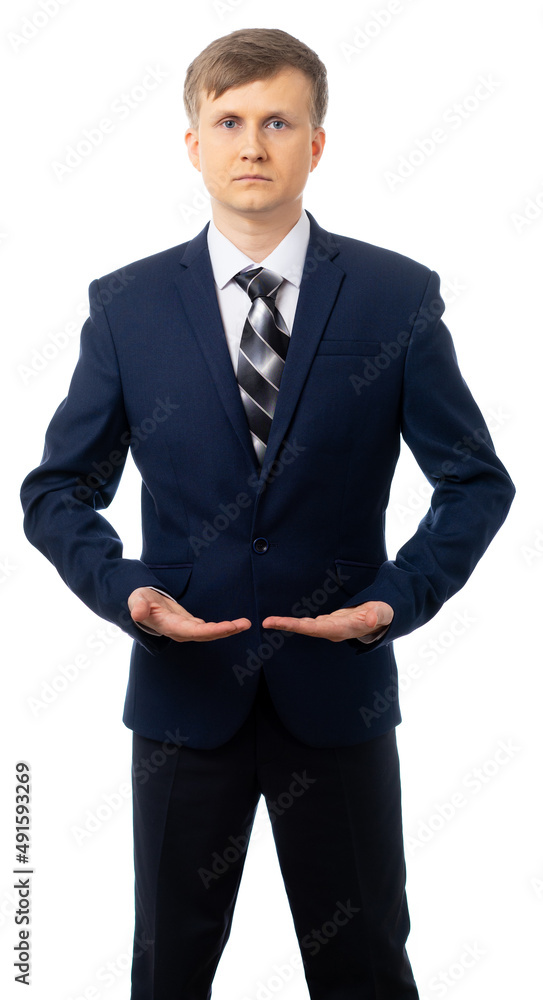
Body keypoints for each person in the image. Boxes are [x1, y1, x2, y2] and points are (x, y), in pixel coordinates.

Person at [20, 27, 515, 1000]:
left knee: (365, 964)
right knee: (168, 969)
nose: (253, 144)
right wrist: (129, 592)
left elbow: (474, 479)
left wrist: (393, 600)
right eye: (231, 121)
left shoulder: (393, 297)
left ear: (316, 144)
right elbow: (57, 489)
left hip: (337, 692)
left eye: (278, 121)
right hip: (182, 696)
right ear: (193, 144)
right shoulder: (126, 307)